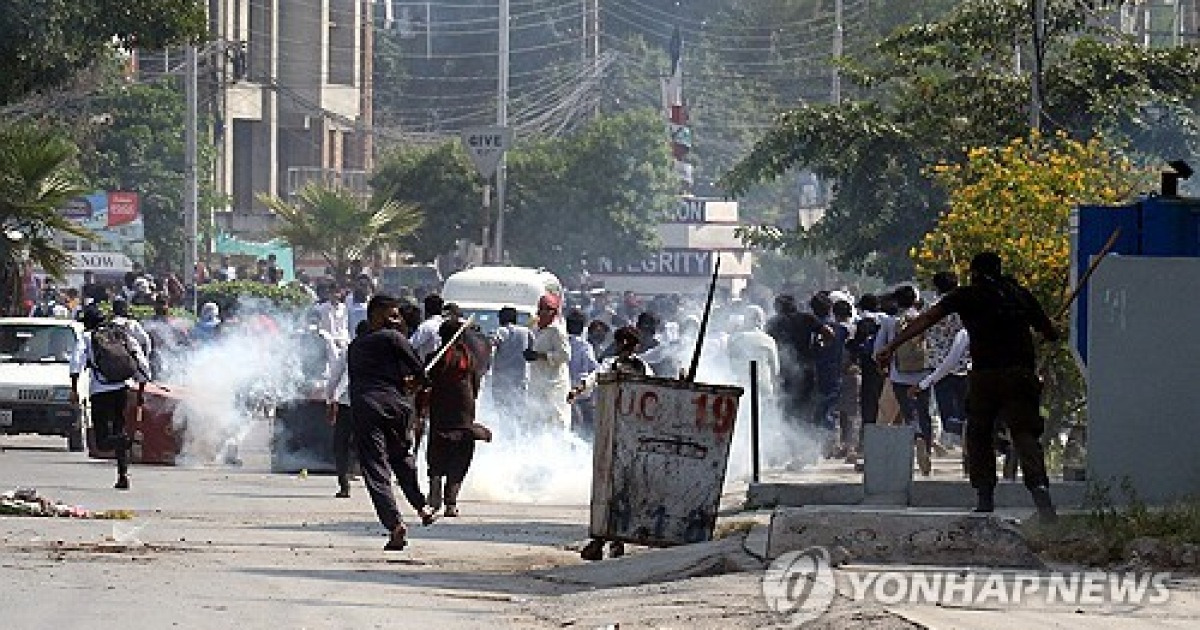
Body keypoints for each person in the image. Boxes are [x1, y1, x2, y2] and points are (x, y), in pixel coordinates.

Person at [875, 252, 1060, 522]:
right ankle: (1040, 489)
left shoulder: (967, 296)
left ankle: (985, 497)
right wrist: (1049, 329)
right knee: (1024, 434)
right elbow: (1049, 332)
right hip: (1020, 375)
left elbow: (927, 319)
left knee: (979, 434)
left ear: (974, 272)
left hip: (985, 376)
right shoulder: (1019, 295)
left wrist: (891, 346)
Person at [347, 294, 438, 551]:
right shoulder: (393, 338)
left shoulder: (356, 346)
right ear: (376, 314)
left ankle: (395, 524)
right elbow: (421, 374)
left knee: (377, 469)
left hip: (367, 407)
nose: (398, 320)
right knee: (401, 458)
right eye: (393, 315)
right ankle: (421, 507)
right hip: (396, 407)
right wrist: (414, 383)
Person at [569, 326, 646, 561]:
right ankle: (605, 537)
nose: (625, 348)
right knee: (608, 485)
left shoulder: (642, 368)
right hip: (611, 431)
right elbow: (593, 379)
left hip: (631, 434)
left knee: (622, 485)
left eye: (627, 343)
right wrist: (579, 389)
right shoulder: (610, 365)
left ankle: (612, 538)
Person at [69, 306, 150, 490]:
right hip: (122, 389)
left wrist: (74, 389)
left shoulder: (88, 338)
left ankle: (125, 442)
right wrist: (141, 391)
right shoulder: (121, 335)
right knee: (119, 430)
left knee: (103, 441)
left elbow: (76, 362)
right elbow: (141, 362)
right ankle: (123, 475)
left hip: (99, 392)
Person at [420, 319, 491, 518]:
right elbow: (475, 387)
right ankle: (450, 502)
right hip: (463, 412)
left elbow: (424, 384)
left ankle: (435, 485)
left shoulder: (434, 358)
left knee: (438, 450)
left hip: (441, 412)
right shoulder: (470, 360)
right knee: (460, 455)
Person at [873, 285, 935, 475]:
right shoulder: (925, 319)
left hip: (899, 375)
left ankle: (916, 436)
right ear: (916, 300)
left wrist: (882, 366)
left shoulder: (890, 322)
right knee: (924, 412)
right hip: (924, 374)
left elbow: (878, 350)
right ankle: (926, 446)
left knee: (909, 413)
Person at [325, 321, 367, 498]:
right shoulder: (379, 351)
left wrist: (330, 399)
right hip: (367, 403)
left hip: (348, 403)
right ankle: (354, 473)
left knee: (341, 444)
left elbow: (335, 375)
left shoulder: (350, 350)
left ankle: (344, 481)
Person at [524, 293, 572, 432]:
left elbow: (565, 355)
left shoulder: (557, 330)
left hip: (554, 384)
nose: (542, 312)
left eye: (547, 309)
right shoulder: (536, 327)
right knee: (535, 420)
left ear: (554, 312)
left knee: (556, 420)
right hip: (538, 381)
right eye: (541, 308)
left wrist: (540, 356)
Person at [565, 308, 600, 438]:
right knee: (586, 431)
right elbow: (594, 368)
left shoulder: (562, 342)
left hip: (564, 390)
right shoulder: (585, 346)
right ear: (582, 327)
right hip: (581, 394)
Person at [490, 306, 531, 414]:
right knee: (519, 411)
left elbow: (491, 344)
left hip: (501, 381)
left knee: (502, 412)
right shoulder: (526, 332)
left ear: (501, 319)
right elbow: (533, 351)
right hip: (521, 379)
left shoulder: (500, 331)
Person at [409, 293, 445, 361]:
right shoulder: (444, 324)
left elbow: (410, 346)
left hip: (426, 366)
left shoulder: (426, 326)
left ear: (425, 309)